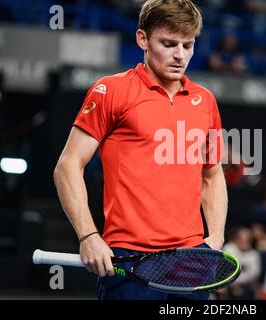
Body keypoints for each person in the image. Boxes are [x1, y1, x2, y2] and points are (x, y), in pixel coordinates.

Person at [53, 0, 227, 300]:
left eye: (188, 45)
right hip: (129, 258)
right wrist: (88, 236)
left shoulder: (205, 101)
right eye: (168, 44)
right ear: (142, 39)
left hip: (191, 259)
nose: (179, 55)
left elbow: (212, 174)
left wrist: (215, 239)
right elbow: (67, 166)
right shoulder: (111, 90)